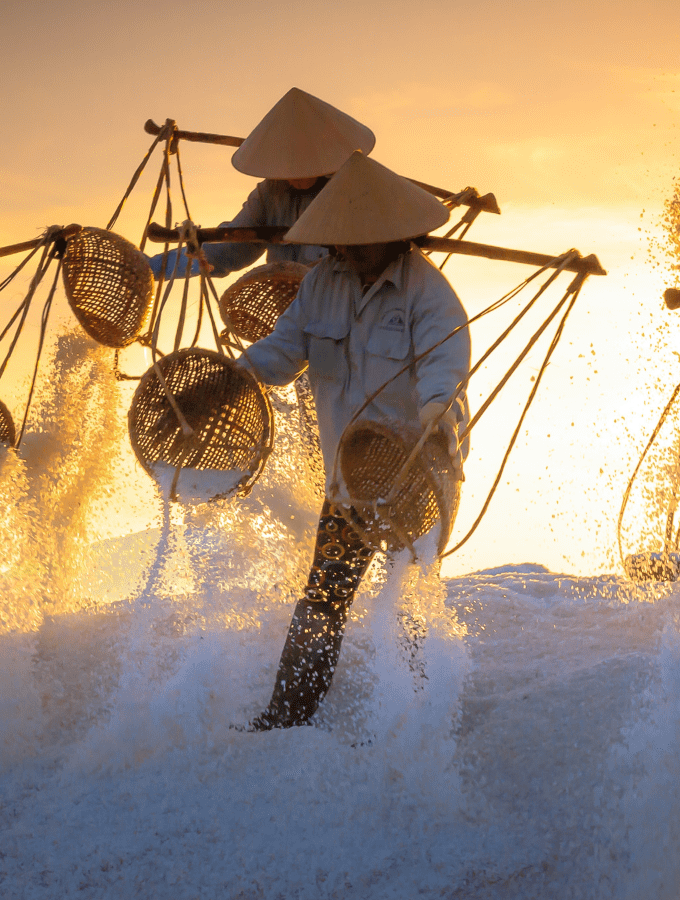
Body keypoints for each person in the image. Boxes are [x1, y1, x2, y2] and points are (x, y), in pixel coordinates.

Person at [234, 151, 470, 730]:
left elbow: (446, 371)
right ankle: (287, 718)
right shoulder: (322, 284)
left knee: (408, 599)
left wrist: (438, 417)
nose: (346, 251)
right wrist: (239, 376)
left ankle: (418, 723)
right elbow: (284, 349)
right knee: (322, 600)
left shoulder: (429, 295)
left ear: (396, 237)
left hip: (417, 473)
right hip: (348, 480)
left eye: (359, 242)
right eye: (340, 241)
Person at [148, 88, 375, 280]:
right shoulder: (270, 193)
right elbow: (229, 248)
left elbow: (371, 261)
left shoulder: (357, 190)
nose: (294, 174)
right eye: (287, 165)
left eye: (303, 164)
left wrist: (310, 274)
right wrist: (150, 269)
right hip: (289, 313)